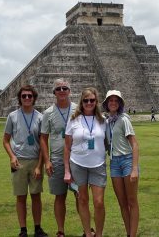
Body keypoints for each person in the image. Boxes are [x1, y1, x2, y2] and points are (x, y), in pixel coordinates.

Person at [40, 79, 93, 237]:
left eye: (65, 88)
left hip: (76, 158)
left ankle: (87, 229)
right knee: (59, 196)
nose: (61, 91)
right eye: (58, 89)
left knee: (80, 196)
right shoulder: (48, 113)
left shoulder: (79, 109)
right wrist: (47, 161)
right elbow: (43, 138)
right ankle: (61, 230)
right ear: (54, 93)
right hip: (56, 159)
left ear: (70, 91)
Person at [2, 85, 48, 237]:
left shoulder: (40, 117)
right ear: (20, 99)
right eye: (24, 96)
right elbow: (6, 140)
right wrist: (12, 156)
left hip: (35, 160)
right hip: (18, 161)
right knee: (20, 196)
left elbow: (43, 143)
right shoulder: (13, 116)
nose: (27, 98)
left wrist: (39, 165)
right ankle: (23, 230)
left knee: (36, 196)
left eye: (29, 96)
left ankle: (37, 228)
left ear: (34, 98)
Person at [64, 87, 107, 237]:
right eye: (86, 100)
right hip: (77, 164)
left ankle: (99, 234)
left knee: (99, 202)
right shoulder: (73, 120)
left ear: (96, 102)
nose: (89, 103)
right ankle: (88, 233)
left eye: (92, 100)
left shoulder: (103, 120)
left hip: (98, 165)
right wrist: (67, 171)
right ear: (81, 102)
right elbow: (67, 147)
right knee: (82, 200)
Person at [102, 90, 140, 237]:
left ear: (119, 104)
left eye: (116, 101)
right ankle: (128, 233)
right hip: (114, 162)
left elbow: (135, 145)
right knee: (122, 203)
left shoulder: (124, 120)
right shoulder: (106, 122)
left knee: (132, 201)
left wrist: (135, 168)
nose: (113, 103)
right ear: (106, 103)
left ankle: (132, 234)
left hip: (127, 160)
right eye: (110, 100)